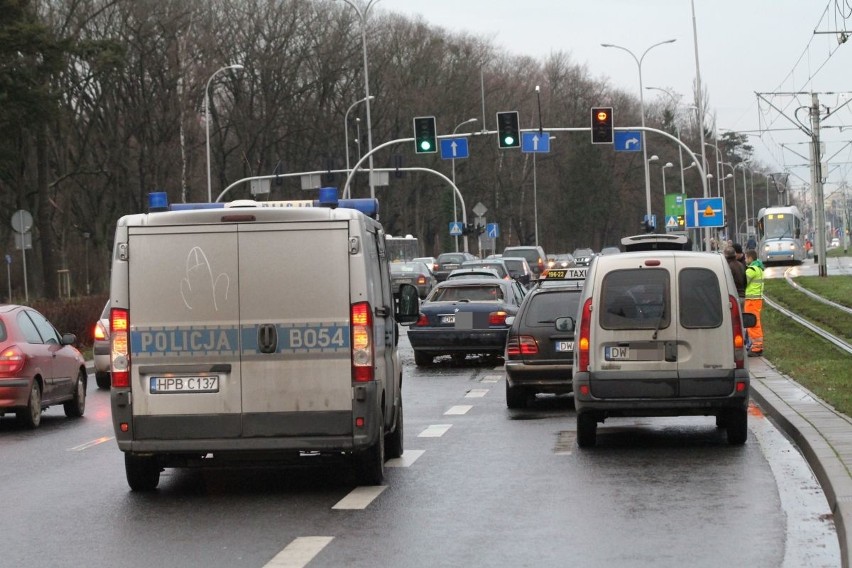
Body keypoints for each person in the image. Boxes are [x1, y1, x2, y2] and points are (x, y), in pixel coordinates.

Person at [744, 249, 765, 356]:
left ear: (750, 258)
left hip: (751, 300)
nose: (745, 260)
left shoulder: (751, 269)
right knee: (755, 322)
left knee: (752, 324)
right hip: (757, 299)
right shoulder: (760, 269)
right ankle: (757, 346)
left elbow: (742, 281)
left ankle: (757, 348)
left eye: (746, 258)